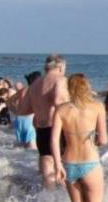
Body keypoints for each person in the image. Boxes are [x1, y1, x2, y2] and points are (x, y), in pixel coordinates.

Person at [51, 73, 108, 202]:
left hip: (69, 164)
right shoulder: (97, 106)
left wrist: (58, 165)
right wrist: (96, 139)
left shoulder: (61, 110)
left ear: (70, 88)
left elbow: (54, 140)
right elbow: (104, 139)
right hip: (90, 164)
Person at [17, 54, 69, 188]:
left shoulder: (35, 83)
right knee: (67, 165)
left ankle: (45, 200)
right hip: (58, 129)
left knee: (47, 165)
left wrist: (40, 107)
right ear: (60, 66)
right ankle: (64, 201)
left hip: (41, 129)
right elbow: (58, 101)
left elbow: (22, 110)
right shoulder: (60, 80)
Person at [9, 71, 41, 149]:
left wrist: (16, 111)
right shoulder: (36, 91)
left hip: (19, 119)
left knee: (21, 147)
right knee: (32, 149)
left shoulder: (22, 90)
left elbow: (8, 102)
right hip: (29, 120)